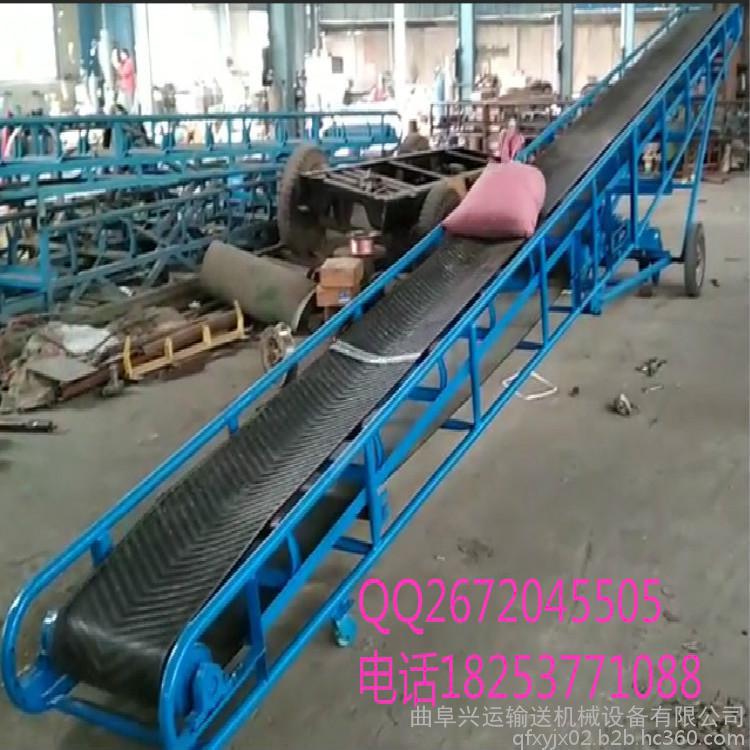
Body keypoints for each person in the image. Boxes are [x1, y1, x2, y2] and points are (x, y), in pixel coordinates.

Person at [117, 48, 137, 113]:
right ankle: (125, 113)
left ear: (126, 54)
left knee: (128, 103)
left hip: (128, 87)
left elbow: (124, 73)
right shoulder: (124, 63)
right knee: (121, 103)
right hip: (125, 87)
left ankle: (129, 114)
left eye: (122, 55)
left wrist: (119, 67)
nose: (121, 56)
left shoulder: (128, 62)